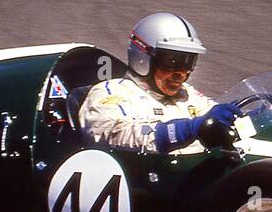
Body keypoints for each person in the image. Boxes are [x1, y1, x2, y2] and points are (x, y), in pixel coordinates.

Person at [80, 13, 242, 153]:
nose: (182, 73)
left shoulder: (187, 94)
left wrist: (254, 119)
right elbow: (112, 134)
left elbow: (214, 116)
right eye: (172, 62)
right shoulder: (111, 92)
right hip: (147, 180)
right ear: (144, 58)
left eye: (189, 63)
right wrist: (186, 130)